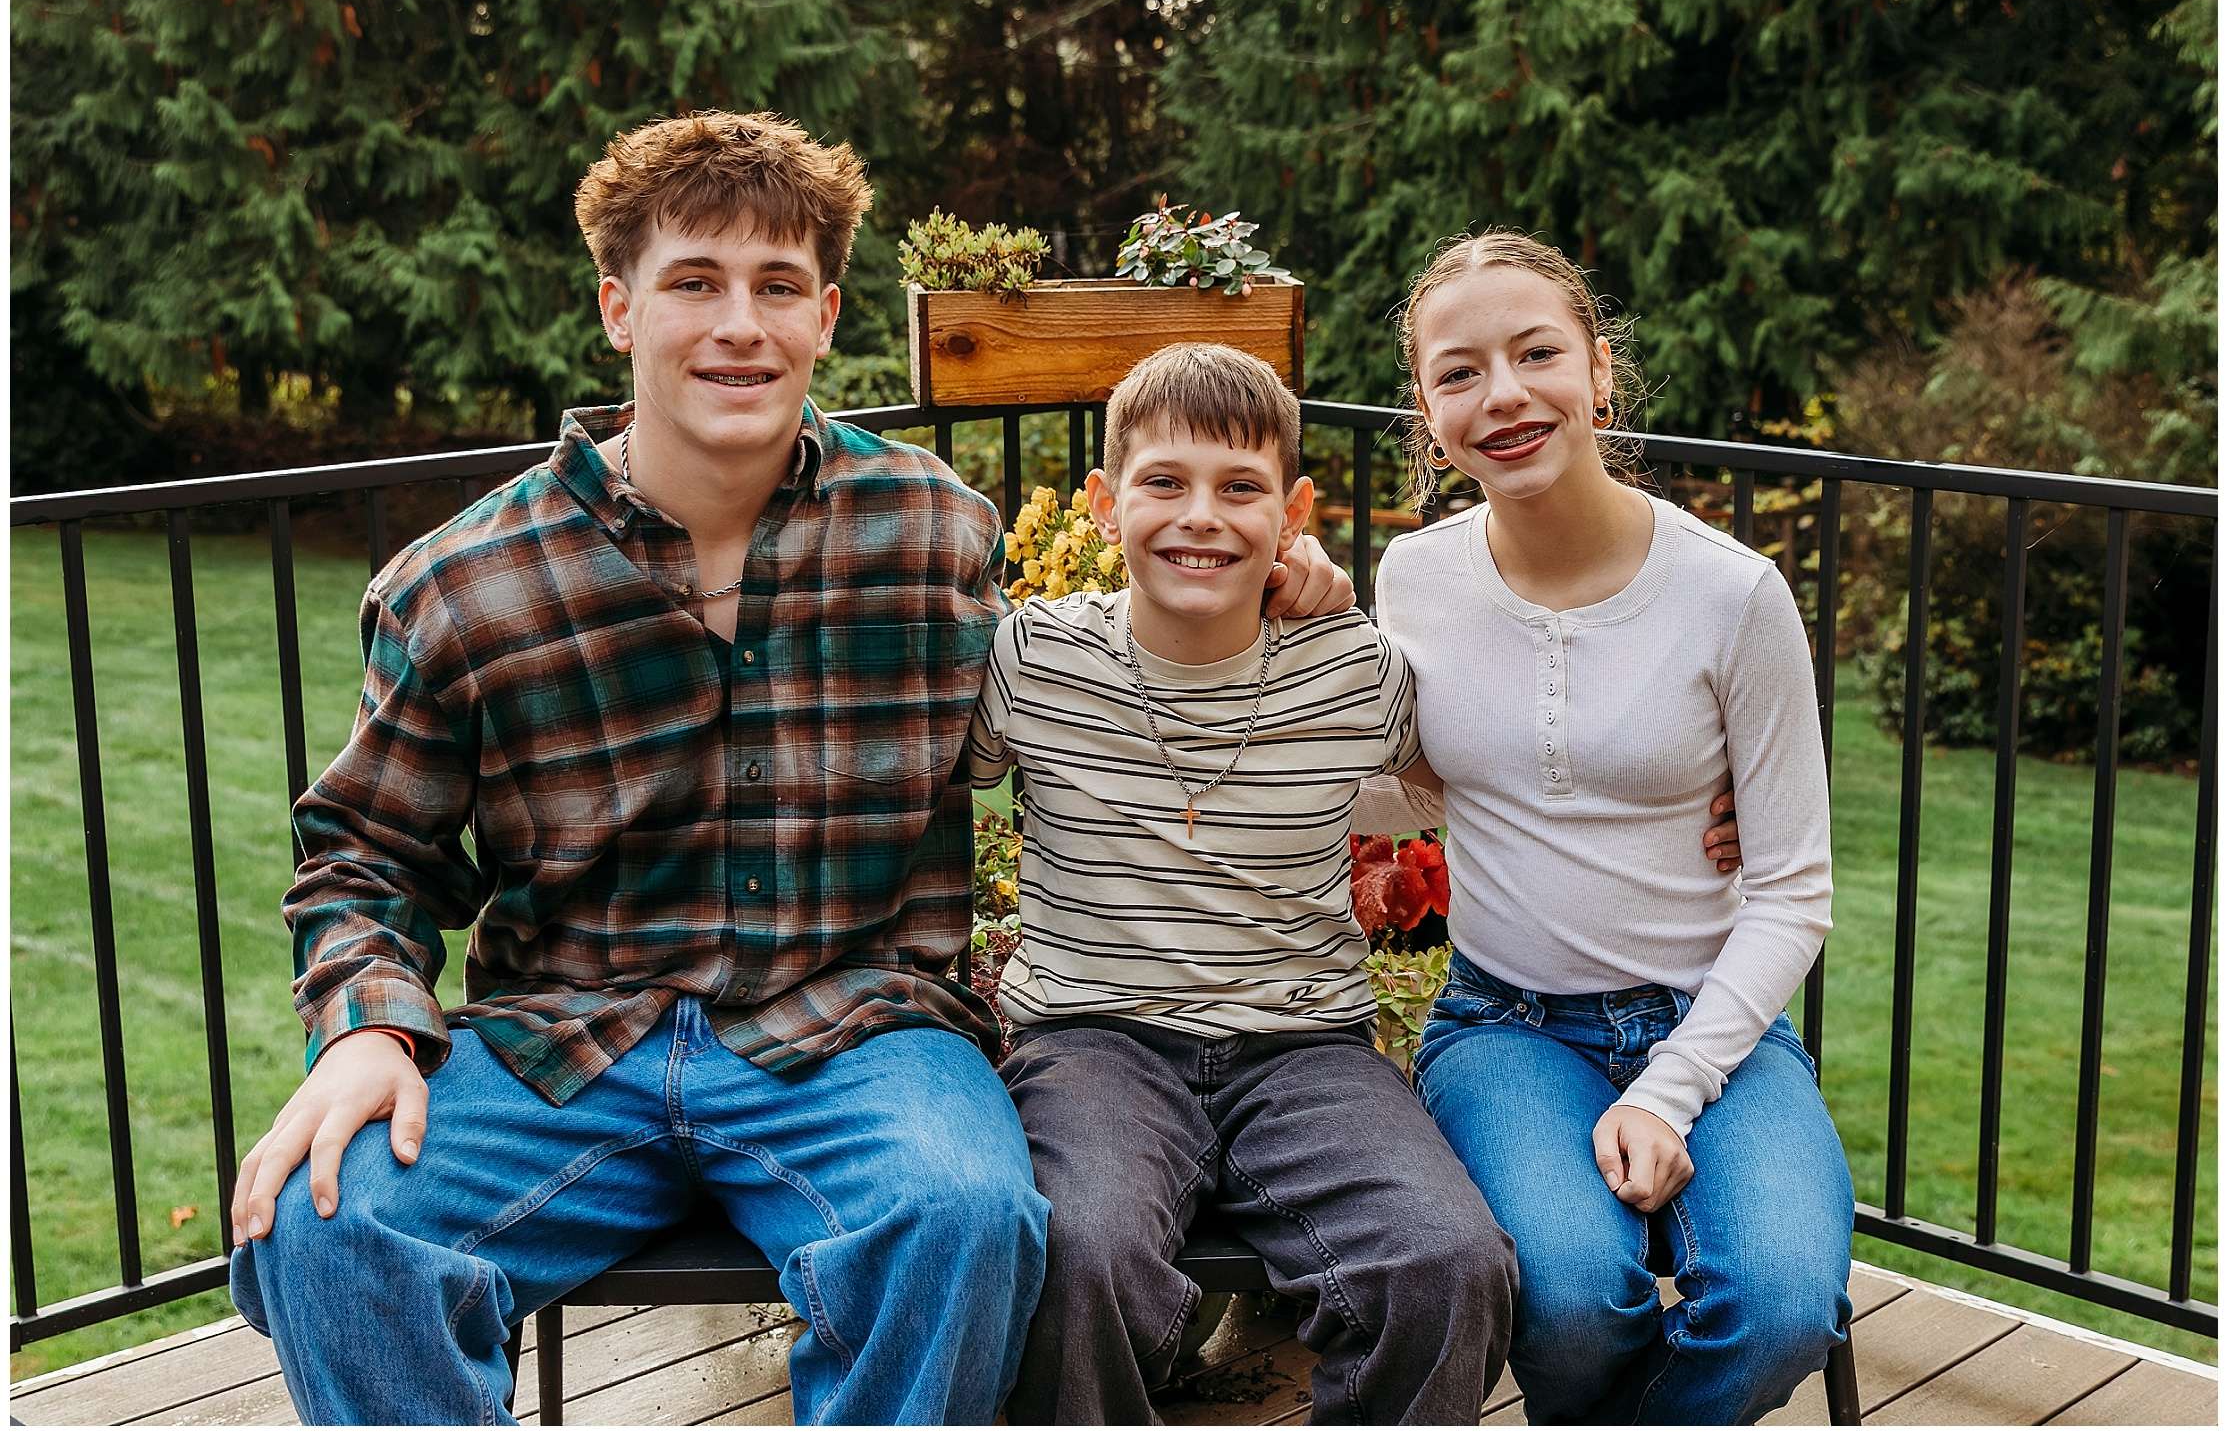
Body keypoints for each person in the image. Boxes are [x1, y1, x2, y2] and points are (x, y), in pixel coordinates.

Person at [222, 111, 1354, 1425]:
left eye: (775, 289)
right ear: (617, 308)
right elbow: (362, 852)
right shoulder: (465, 584)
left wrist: (1265, 603)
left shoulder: (933, 531)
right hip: (569, 1036)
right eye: (693, 282)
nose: (738, 327)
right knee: (327, 1226)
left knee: (969, 1213)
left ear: (824, 315)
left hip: (855, 1025)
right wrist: (366, 1027)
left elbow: (1097, 690)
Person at [961, 343, 1518, 1423]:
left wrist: (1702, 802)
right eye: (1162, 482)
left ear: (1291, 508)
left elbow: (1492, 777)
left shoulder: (1353, 667)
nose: (1199, 517)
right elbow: (911, 768)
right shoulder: (1033, 658)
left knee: (1447, 1260)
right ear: (1102, 499)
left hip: (1303, 1049)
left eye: (1239, 488)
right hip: (1092, 1039)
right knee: (1077, 1250)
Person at [1359, 229, 1851, 1424]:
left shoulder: (1731, 594)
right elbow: (1420, 787)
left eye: (1536, 354)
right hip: (1504, 1023)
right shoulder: (1411, 579)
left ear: (1599, 373)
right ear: (1427, 413)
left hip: (1713, 1023)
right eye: (1459, 371)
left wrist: (1669, 1087)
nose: (1504, 395)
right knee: (1573, 1299)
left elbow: (1792, 891)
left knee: (1783, 1300)